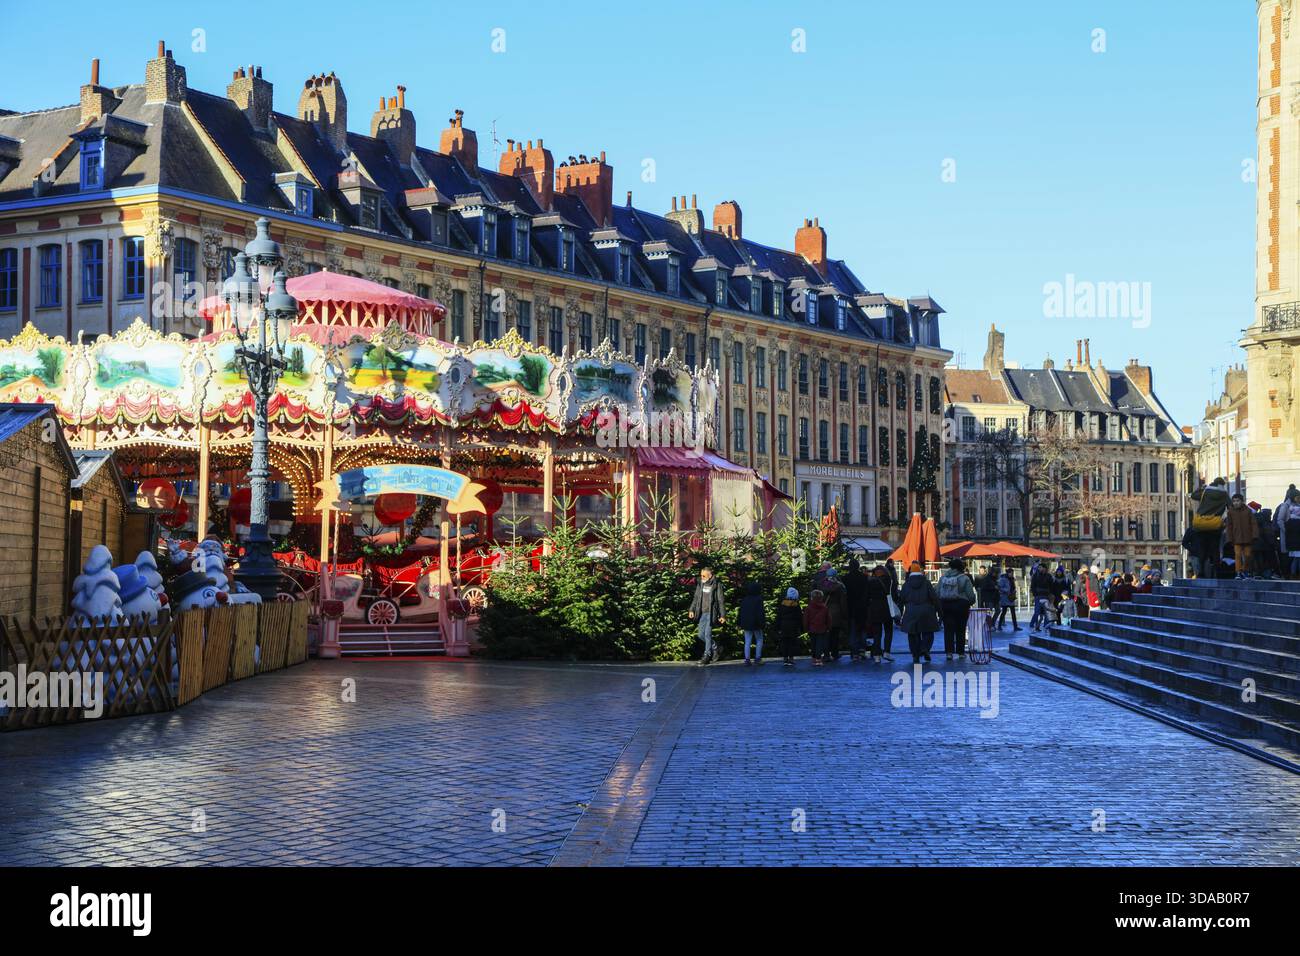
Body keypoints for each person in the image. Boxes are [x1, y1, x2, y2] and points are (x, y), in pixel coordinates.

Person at [899, 561, 941, 664]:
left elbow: (901, 599)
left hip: (911, 611)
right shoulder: (926, 583)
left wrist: (899, 614)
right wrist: (939, 610)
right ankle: (925, 648)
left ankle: (915, 655)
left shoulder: (906, 584)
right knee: (928, 632)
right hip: (927, 611)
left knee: (913, 634)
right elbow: (934, 598)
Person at [1189, 477, 1230, 577]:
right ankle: (1217, 572)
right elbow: (1230, 507)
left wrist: (1201, 488)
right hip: (1215, 525)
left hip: (1201, 525)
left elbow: (1193, 496)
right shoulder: (1224, 494)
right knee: (1215, 549)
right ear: (1222, 485)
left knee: (1202, 549)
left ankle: (1201, 572)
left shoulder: (1205, 492)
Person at [937, 558, 977, 660]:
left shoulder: (943, 578)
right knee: (961, 629)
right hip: (961, 606)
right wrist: (970, 602)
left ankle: (949, 653)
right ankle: (961, 652)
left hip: (946, 605)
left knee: (948, 629)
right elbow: (971, 595)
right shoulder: (965, 578)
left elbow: (937, 592)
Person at [688, 566, 726, 666]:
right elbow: (696, 597)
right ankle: (715, 648)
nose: (701, 577)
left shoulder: (717, 584)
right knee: (700, 635)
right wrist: (691, 609)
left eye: (704, 575)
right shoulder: (700, 583)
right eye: (701, 575)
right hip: (702, 613)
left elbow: (721, 601)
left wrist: (723, 615)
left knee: (707, 634)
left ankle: (707, 655)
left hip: (711, 613)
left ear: (710, 576)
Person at [1224, 493, 1258, 579]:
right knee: (1238, 555)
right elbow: (1229, 526)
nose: (1236, 503)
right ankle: (1238, 572)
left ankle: (1245, 570)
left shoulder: (1248, 511)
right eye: (1234, 501)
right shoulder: (1230, 512)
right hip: (1236, 538)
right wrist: (1229, 538)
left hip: (1247, 537)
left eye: (1238, 501)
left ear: (1242, 501)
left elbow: (1253, 524)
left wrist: (1254, 535)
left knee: (1247, 555)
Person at [866, 565, 895, 662]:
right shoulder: (888, 580)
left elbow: (867, 595)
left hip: (874, 607)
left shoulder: (870, 582)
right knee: (888, 631)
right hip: (887, 607)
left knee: (877, 633)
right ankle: (887, 652)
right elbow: (893, 593)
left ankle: (877, 655)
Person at [843, 557, 870, 662]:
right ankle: (862, 650)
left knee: (853, 630)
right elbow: (867, 593)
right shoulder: (863, 577)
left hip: (850, 607)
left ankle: (854, 653)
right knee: (862, 629)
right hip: (862, 607)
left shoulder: (845, 578)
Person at [821, 566, 848, 663]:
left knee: (826, 635)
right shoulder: (840, 586)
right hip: (836, 612)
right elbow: (843, 602)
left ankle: (826, 654)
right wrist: (845, 614)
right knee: (835, 634)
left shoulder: (822, 585)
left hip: (825, 612)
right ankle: (835, 653)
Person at [737, 580, 766, 665]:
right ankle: (758, 658)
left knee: (747, 641)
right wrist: (762, 623)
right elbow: (760, 613)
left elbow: (740, 612)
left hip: (746, 623)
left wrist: (739, 622)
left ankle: (747, 659)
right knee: (759, 639)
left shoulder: (745, 599)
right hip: (756, 623)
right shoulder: (759, 599)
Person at [775, 586, 804, 667]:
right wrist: (802, 627)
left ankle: (785, 658)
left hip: (784, 625)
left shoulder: (782, 604)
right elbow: (799, 617)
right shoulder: (796, 605)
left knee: (784, 642)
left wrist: (777, 627)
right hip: (793, 626)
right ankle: (791, 658)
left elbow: (779, 616)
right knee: (792, 642)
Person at [804, 589, 831, 666]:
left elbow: (806, 619)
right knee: (819, 643)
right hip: (822, 628)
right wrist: (828, 627)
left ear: (812, 597)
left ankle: (813, 658)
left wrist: (806, 628)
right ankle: (818, 659)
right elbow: (828, 619)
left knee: (813, 643)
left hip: (812, 628)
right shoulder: (824, 608)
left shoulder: (808, 608)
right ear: (821, 598)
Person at [1254, 506, 1279, 579]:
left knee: (1259, 561)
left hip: (1256, 545)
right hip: (1267, 546)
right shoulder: (1266, 523)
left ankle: (1258, 573)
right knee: (1269, 561)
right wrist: (1274, 543)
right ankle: (1272, 573)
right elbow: (1268, 534)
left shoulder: (1256, 520)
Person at [1029, 561, 1054, 633]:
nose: (1039, 568)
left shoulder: (1049, 576)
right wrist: (1035, 594)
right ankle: (1033, 624)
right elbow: (1032, 586)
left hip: (1046, 595)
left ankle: (1046, 625)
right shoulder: (1035, 575)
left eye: (1040, 567)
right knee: (1037, 611)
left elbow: (1051, 585)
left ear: (1044, 568)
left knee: (1046, 612)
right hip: (1038, 595)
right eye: (1039, 567)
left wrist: (1050, 594)